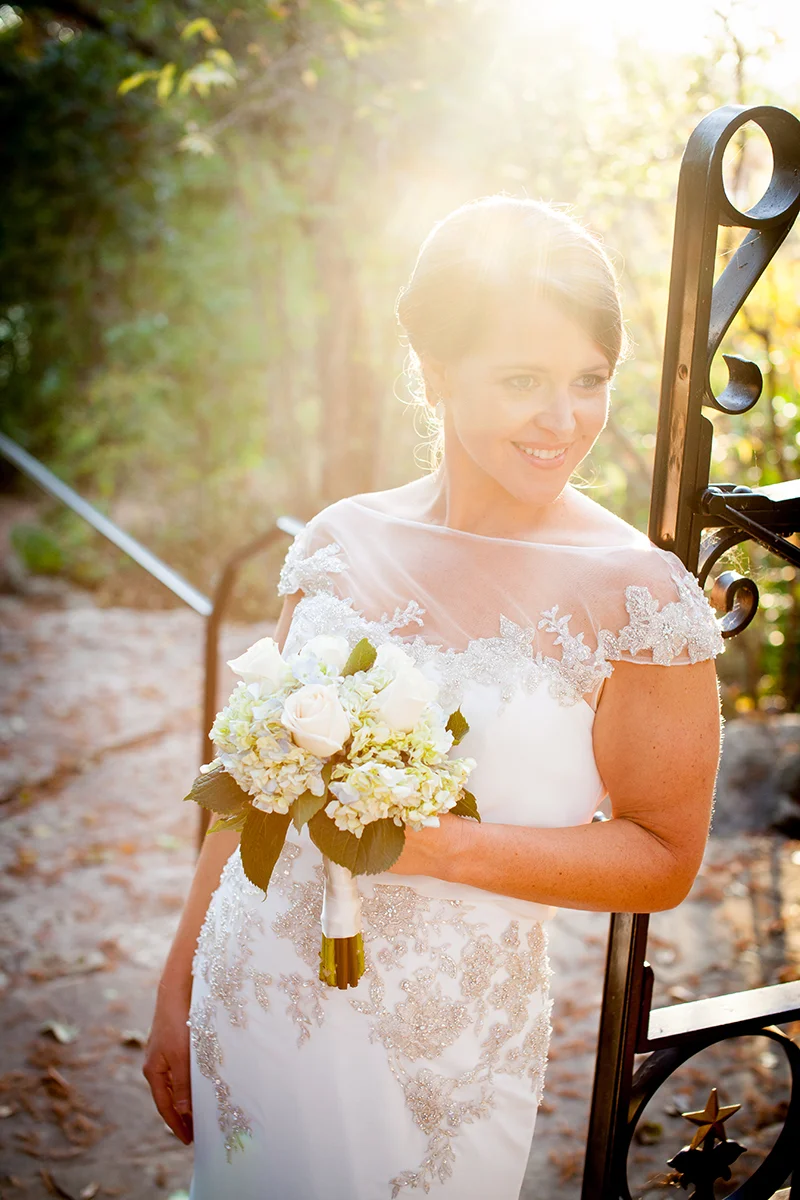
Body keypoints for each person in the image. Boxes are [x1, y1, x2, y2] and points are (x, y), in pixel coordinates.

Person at [143, 195, 726, 1200]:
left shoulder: (638, 600)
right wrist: (178, 975)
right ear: (433, 373)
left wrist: (448, 847)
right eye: (522, 380)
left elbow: (662, 859)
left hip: (440, 1053)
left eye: (588, 380)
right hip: (254, 994)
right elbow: (247, 784)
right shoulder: (335, 542)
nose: (564, 419)